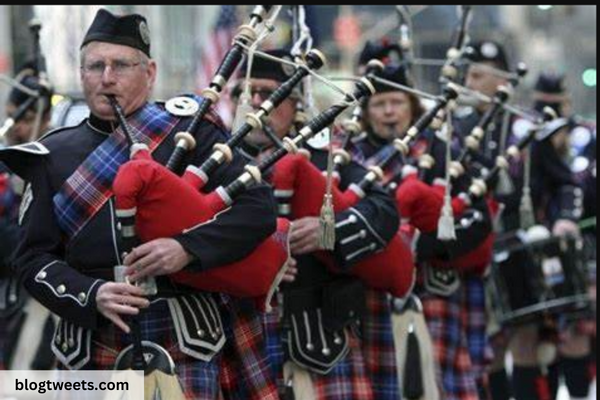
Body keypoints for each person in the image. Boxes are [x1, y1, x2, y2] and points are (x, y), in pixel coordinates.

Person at [0, 9, 279, 399]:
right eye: (95, 66)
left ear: (149, 72)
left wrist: (186, 248)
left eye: (121, 65)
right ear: (82, 74)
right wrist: (90, 292)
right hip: (90, 342)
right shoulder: (51, 155)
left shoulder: (191, 130)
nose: (107, 77)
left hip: (185, 336)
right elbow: (32, 258)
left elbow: (258, 207)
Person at [236, 49, 400, 399]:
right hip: (239, 343)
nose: (254, 102)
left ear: (295, 103)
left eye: (268, 93)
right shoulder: (218, 161)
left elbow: (384, 210)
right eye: (244, 92)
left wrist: (330, 230)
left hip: (316, 338)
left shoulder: (326, 157)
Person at [1, 62, 55, 370]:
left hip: (43, 300)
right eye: (11, 115)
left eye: (27, 119)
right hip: (8, 300)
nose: (16, 127)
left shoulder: (56, 162)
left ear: (46, 118)